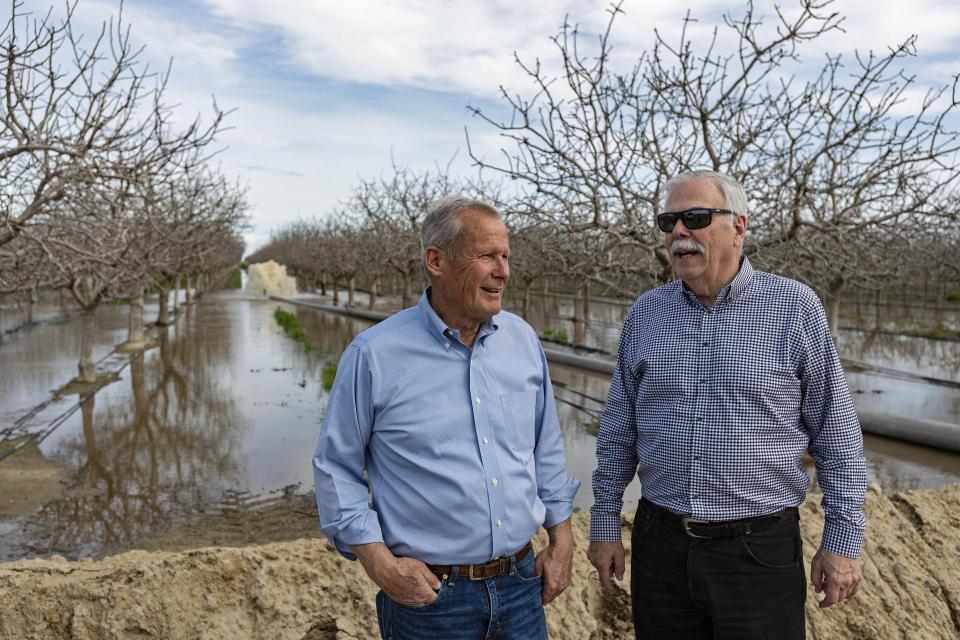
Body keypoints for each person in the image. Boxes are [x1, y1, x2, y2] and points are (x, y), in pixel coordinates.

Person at [587, 170, 867, 639]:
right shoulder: (645, 314)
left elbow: (836, 435)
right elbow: (618, 430)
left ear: (739, 227)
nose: (678, 232)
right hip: (660, 547)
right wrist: (603, 522)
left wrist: (842, 541)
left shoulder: (794, 308)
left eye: (695, 218)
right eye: (669, 221)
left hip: (757, 553)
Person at [313, 197, 580, 640]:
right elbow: (335, 468)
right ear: (436, 260)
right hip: (432, 600)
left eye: (506, 256)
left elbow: (546, 449)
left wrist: (562, 540)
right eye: (487, 256)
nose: (503, 271)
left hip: (520, 585)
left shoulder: (523, 341)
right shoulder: (374, 356)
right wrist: (380, 564)